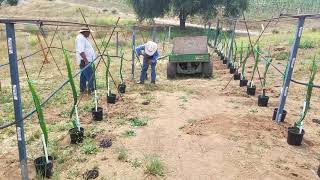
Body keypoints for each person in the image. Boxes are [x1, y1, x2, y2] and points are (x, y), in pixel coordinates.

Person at [75, 28, 96, 94]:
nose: (89, 34)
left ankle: (82, 89)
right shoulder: (81, 38)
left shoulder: (83, 37)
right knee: (90, 75)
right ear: (84, 32)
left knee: (83, 76)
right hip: (84, 61)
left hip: (85, 60)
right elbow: (81, 51)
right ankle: (92, 90)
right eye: (88, 32)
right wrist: (86, 61)